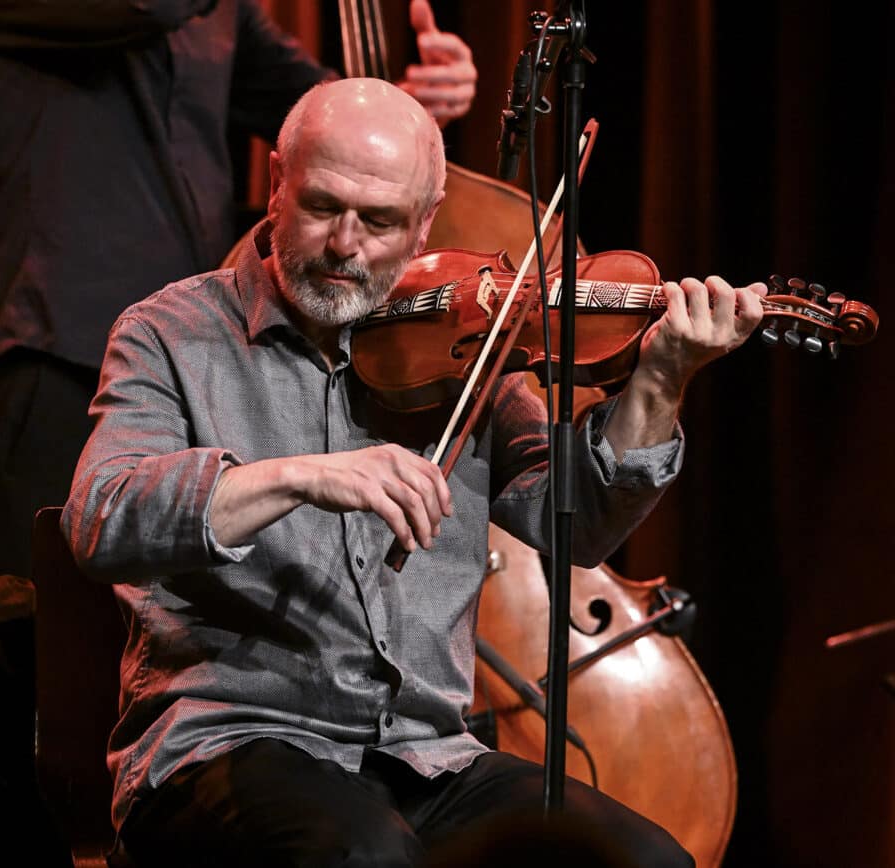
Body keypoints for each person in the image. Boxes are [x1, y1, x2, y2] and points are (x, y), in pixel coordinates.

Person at [61, 77, 767, 866]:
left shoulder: (468, 346)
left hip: (427, 757)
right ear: (275, 186)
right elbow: (101, 516)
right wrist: (299, 476)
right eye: (322, 206)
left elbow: (582, 523)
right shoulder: (173, 334)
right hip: (228, 743)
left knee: (647, 860)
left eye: (382, 221)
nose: (345, 245)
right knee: (366, 855)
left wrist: (662, 380)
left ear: (426, 221)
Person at [0, 0, 477, 582]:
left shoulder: (223, 17)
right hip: (53, 353)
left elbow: (322, 125)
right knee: (40, 632)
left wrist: (405, 112)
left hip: (201, 361)